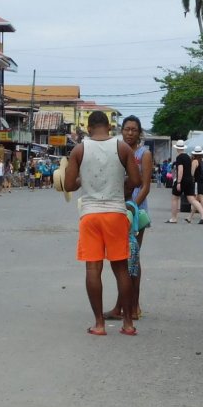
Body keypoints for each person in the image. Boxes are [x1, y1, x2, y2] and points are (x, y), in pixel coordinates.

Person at [63, 110, 141, 336]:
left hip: (90, 215)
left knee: (93, 269)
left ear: (88, 129)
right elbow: (136, 180)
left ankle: (99, 324)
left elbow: (68, 185)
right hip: (116, 214)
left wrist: (82, 179)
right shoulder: (122, 147)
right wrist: (121, 184)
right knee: (121, 270)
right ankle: (127, 323)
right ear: (109, 127)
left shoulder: (79, 149)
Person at [105, 115, 153, 322]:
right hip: (116, 208)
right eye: (127, 129)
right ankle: (121, 305)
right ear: (121, 131)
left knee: (133, 258)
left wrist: (132, 207)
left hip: (136, 212)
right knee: (120, 259)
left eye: (134, 129)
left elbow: (145, 186)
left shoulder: (144, 154)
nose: (130, 133)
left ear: (139, 132)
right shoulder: (116, 150)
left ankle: (133, 306)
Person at [187, 147, 203, 223]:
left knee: (202, 199)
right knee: (196, 200)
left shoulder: (195, 161)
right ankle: (189, 217)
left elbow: (192, 173)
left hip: (198, 182)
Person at [168, 141, 189, 223]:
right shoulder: (187, 157)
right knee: (192, 199)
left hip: (181, 180)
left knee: (174, 198)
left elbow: (180, 170)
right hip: (188, 180)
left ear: (177, 148)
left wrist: (178, 182)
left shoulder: (179, 157)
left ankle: (174, 218)